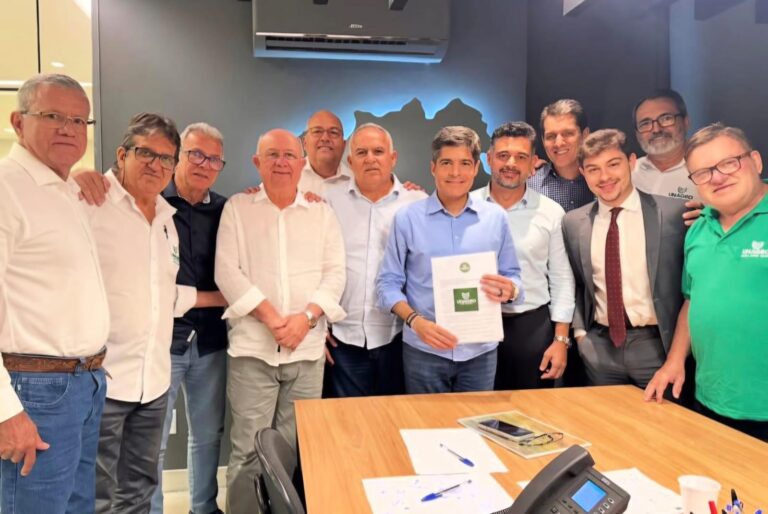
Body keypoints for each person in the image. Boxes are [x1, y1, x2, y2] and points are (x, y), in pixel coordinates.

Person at [214, 129, 345, 514]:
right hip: (253, 352)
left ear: (302, 163)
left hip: (306, 353)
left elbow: (336, 273)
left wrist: (306, 319)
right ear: (257, 162)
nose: (282, 162)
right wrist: (273, 319)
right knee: (247, 452)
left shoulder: (321, 212)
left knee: (289, 451)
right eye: (272, 155)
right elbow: (227, 272)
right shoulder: (238, 208)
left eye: (290, 155)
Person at [0, 73, 110, 514]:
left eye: (79, 120)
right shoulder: (6, 188)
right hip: (34, 389)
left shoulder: (64, 190)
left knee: (76, 507)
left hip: (84, 383)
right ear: (18, 122)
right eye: (52, 116)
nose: (68, 129)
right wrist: (5, 411)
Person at [88, 113, 196, 514]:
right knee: (97, 493)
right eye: (145, 153)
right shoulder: (91, 204)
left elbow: (161, 294)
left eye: (166, 158)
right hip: (104, 382)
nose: (156, 165)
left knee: (139, 489)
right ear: (122, 155)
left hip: (153, 383)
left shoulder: (167, 220)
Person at [644, 123, 768, 442]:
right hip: (711, 400)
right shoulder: (698, 229)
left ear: (755, 161)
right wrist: (674, 361)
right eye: (703, 172)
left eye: (728, 163)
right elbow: (692, 299)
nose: (717, 177)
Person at [376, 126, 523, 394]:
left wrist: (510, 289)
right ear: (433, 168)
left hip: (480, 353)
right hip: (424, 350)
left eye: (464, 163)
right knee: (425, 420)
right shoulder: (407, 219)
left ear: (476, 168)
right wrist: (415, 321)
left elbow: (513, 277)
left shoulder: (496, 218)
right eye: (446, 163)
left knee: (477, 420)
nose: (455, 172)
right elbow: (388, 283)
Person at [561, 129, 686, 388]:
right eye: (593, 169)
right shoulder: (573, 223)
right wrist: (581, 335)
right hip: (599, 348)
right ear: (583, 172)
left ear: (631, 162)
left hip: (658, 347)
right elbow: (577, 284)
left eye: (613, 164)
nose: (604, 177)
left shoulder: (674, 213)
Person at [150, 123, 229, 514]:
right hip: (164, 341)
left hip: (212, 341)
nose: (204, 164)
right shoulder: (152, 203)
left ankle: (204, 508)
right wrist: (216, 298)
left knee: (207, 435)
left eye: (213, 159)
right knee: (154, 440)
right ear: (178, 155)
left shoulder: (228, 210)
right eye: (196, 154)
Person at [324, 123, 427, 397]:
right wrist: (316, 328)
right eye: (362, 152)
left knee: (395, 418)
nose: (370, 158)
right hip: (342, 339)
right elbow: (313, 266)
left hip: (400, 336)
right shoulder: (328, 201)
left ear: (393, 158)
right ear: (350, 162)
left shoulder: (417, 203)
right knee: (347, 421)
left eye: (378, 151)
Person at [471, 122, 575, 390]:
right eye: (503, 155)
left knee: (530, 412)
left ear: (532, 164)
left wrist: (561, 340)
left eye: (521, 157)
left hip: (531, 329)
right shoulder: (465, 207)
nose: (511, 163)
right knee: (472, 407)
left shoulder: (551, 212)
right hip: (473, 325)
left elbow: (562, 279)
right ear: (489, 159)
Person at [528, 99, 595, 212]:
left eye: (568, 134)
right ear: (543, 140)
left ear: (585, 135)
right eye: (551, 136)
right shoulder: (528, 186)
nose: (558, 143)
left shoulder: (603, 180)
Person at [298, 110, 352, 195]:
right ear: (305, 143)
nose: (325, 138)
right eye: (317, 131)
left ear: (344, 145)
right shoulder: (286, 177)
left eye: (333, 132)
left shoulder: (358, 182)